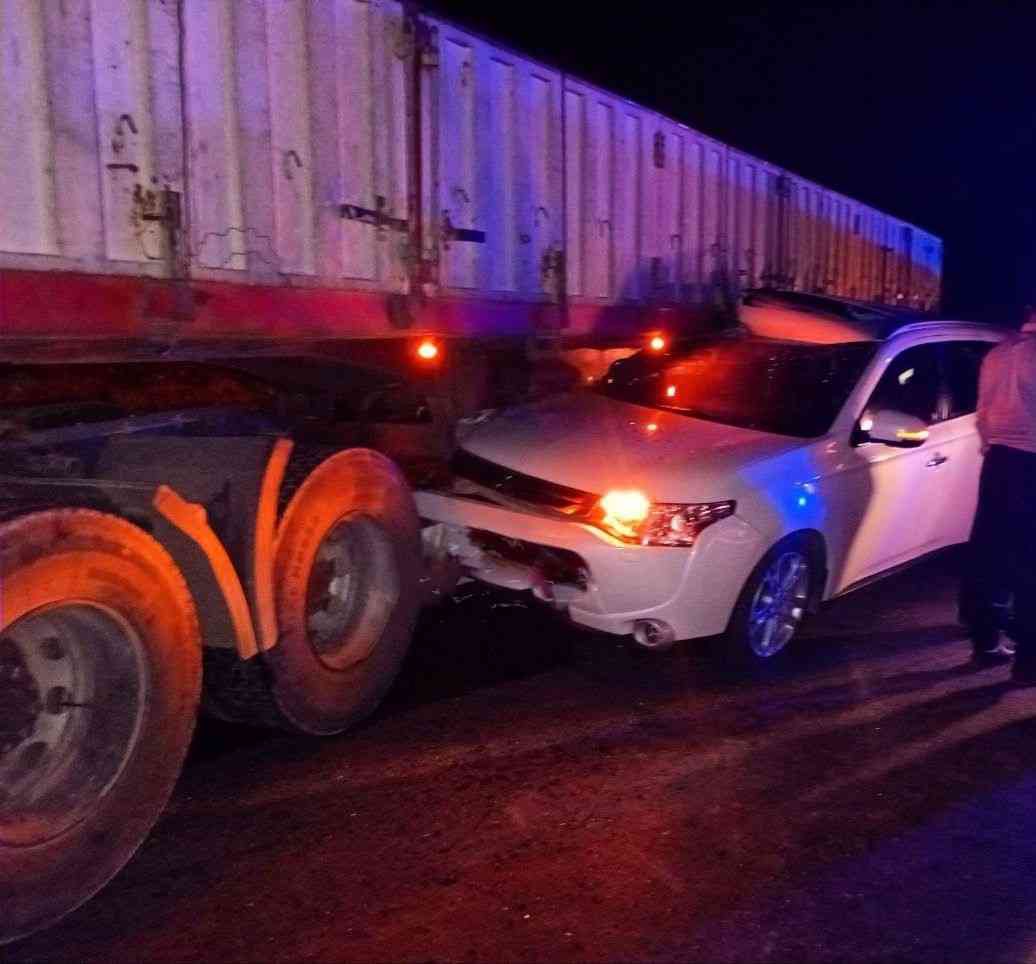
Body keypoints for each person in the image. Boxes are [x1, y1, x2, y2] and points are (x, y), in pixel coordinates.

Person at [961, 307, 1036, 681]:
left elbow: (982, 414)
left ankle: (985, 643)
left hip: (999, 463)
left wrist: (992, 444)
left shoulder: (998, 353)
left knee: (989, 555)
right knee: (1030, 565)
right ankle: (1028, 662)